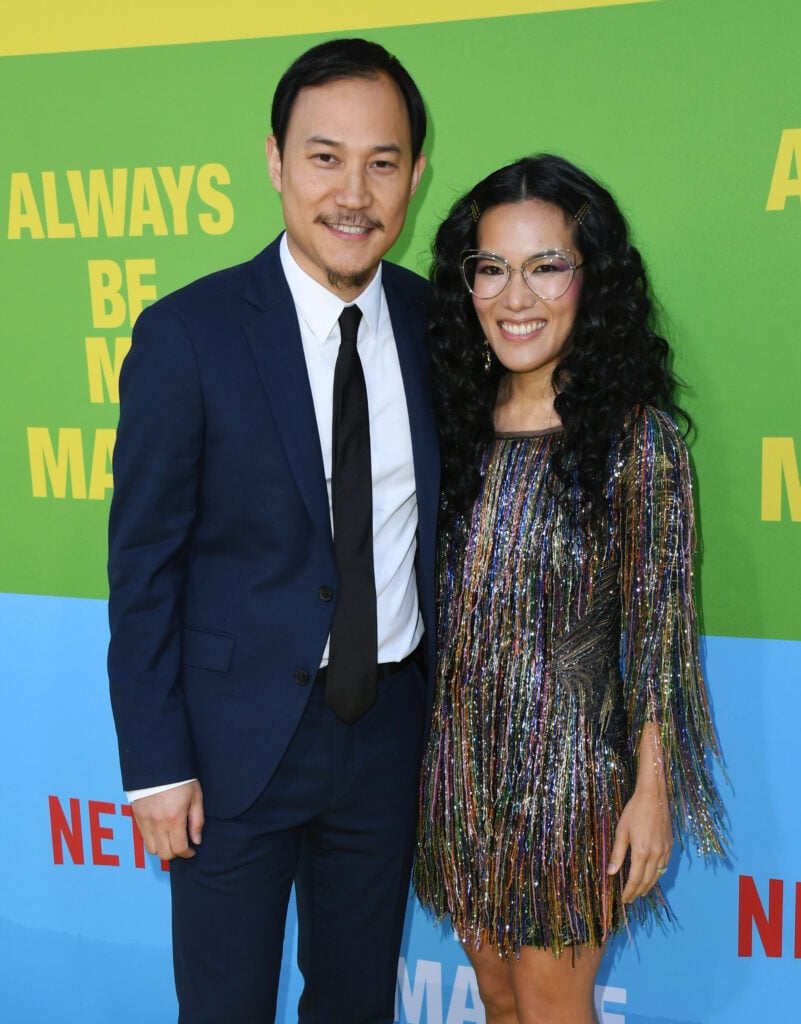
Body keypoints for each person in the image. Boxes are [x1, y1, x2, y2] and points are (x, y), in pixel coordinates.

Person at [107, 38, 439, 1024]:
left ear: (416, 175)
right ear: (276, 162)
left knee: (356, 1007)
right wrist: (155, 765)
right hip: (229, 746)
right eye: (324, 156)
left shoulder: (437, 324)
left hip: (385, 738)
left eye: (383, 162)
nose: (354, 191)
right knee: (225, 1008)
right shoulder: (189, 334)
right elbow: (144, 566)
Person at [414, 154, 725, 1024]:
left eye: (546, 266)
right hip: (457, 776)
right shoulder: (450, 432)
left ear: (592, 279)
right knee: (499, 1001)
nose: (518, 298)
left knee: (552, 1007)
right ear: (465, 285)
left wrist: (652, 792)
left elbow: (661, 637)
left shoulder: (641, 442)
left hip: (572, 779)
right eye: (492, 268)